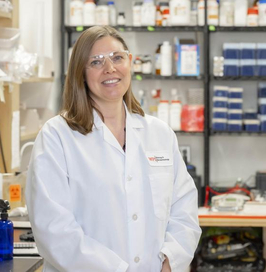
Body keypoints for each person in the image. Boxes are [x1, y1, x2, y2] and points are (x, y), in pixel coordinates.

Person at [25, 25, 201, 272]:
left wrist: (170, 261)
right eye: (95, 62)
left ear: (130, 62)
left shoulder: (159, 134)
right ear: (81, 73)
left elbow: (184, 209)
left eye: (117, 58)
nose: (110, 68)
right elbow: (54, 229)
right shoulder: (57, 136)